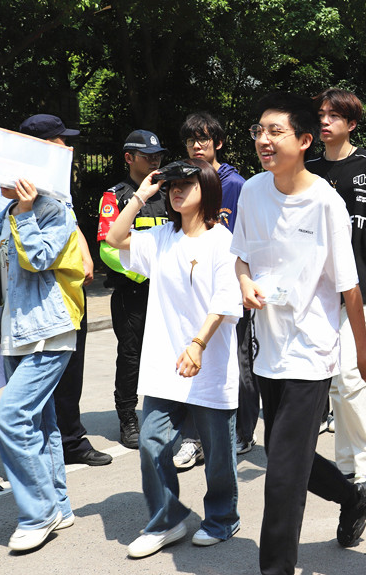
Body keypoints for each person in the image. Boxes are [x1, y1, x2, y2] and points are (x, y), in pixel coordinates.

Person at [231, 92, 366, 575]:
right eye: (259, 131)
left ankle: (275, 568)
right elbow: (240, 257)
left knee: (281, 474)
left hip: (311, 351)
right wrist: (244, 283)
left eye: (275, 131)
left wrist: (362, 354)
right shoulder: (253, 191)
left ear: (303, 140)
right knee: (284, 451)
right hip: (266, 346)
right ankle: (353, 496)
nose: (263, 140)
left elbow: (349, 287)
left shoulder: (325, 202)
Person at [105, 159, 243, 558]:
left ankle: (222, 518)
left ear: (208, 188)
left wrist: (198, 344)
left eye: (186, 184)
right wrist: (139, 196)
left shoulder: (222, 241)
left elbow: (224, 302)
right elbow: (115, 237)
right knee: (151, 441)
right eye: (172, 186)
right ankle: (167, 519)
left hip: (209, 363)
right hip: (165, 364)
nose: (176, 190)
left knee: (218, 453)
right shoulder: (161, 237)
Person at [0, 169, 85, 550]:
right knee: (41, 424)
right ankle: (59, 506)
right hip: (15, 335)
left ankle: (38, 513)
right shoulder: (3, 216)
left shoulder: (55, 211)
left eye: (0, 169)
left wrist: (28, 211)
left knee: (11, 419)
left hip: (50, 331)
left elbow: (39, 259)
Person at [305, 88, 366, 483]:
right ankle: (345, 464)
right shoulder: (308, 168)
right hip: (318, 293)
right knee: (337, 385)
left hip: (363, 290)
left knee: (351, 378)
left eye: (335, 116)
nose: (325, 121)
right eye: (322, 115)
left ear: (352, 123)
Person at [17, 114, 111, 467]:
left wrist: (85, 257)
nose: (67, 147)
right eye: (61, 140)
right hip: (42, 297)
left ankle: (68, 439)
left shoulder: (55, 180)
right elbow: (16, 247)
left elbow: (69, 224)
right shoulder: (16, 187)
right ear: (42, 145)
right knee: (46, 372)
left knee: (71, 369)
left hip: (69, 293)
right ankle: (52, 443)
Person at [177, 111, 257, 462]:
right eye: (191, 140)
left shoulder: (236, 185)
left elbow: (247, 240)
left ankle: (243, 431)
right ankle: (193, 438)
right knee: (196, 357)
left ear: (218, 143)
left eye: (204, 139)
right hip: (194, 288)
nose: (197, 145)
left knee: (238, 362)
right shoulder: (183, 180)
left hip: (231, 287)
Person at [97, 130, 168, 450]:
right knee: (131, 356)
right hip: (132, 291)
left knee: (167, 352)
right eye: (147, 156)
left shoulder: (170, 192)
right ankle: (127, 417)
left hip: (166, 291)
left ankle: (166, 412)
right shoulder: (115, 196)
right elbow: (107, 249)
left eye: (158, 155)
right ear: (129, 158)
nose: (154, 160)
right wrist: (142, 274)